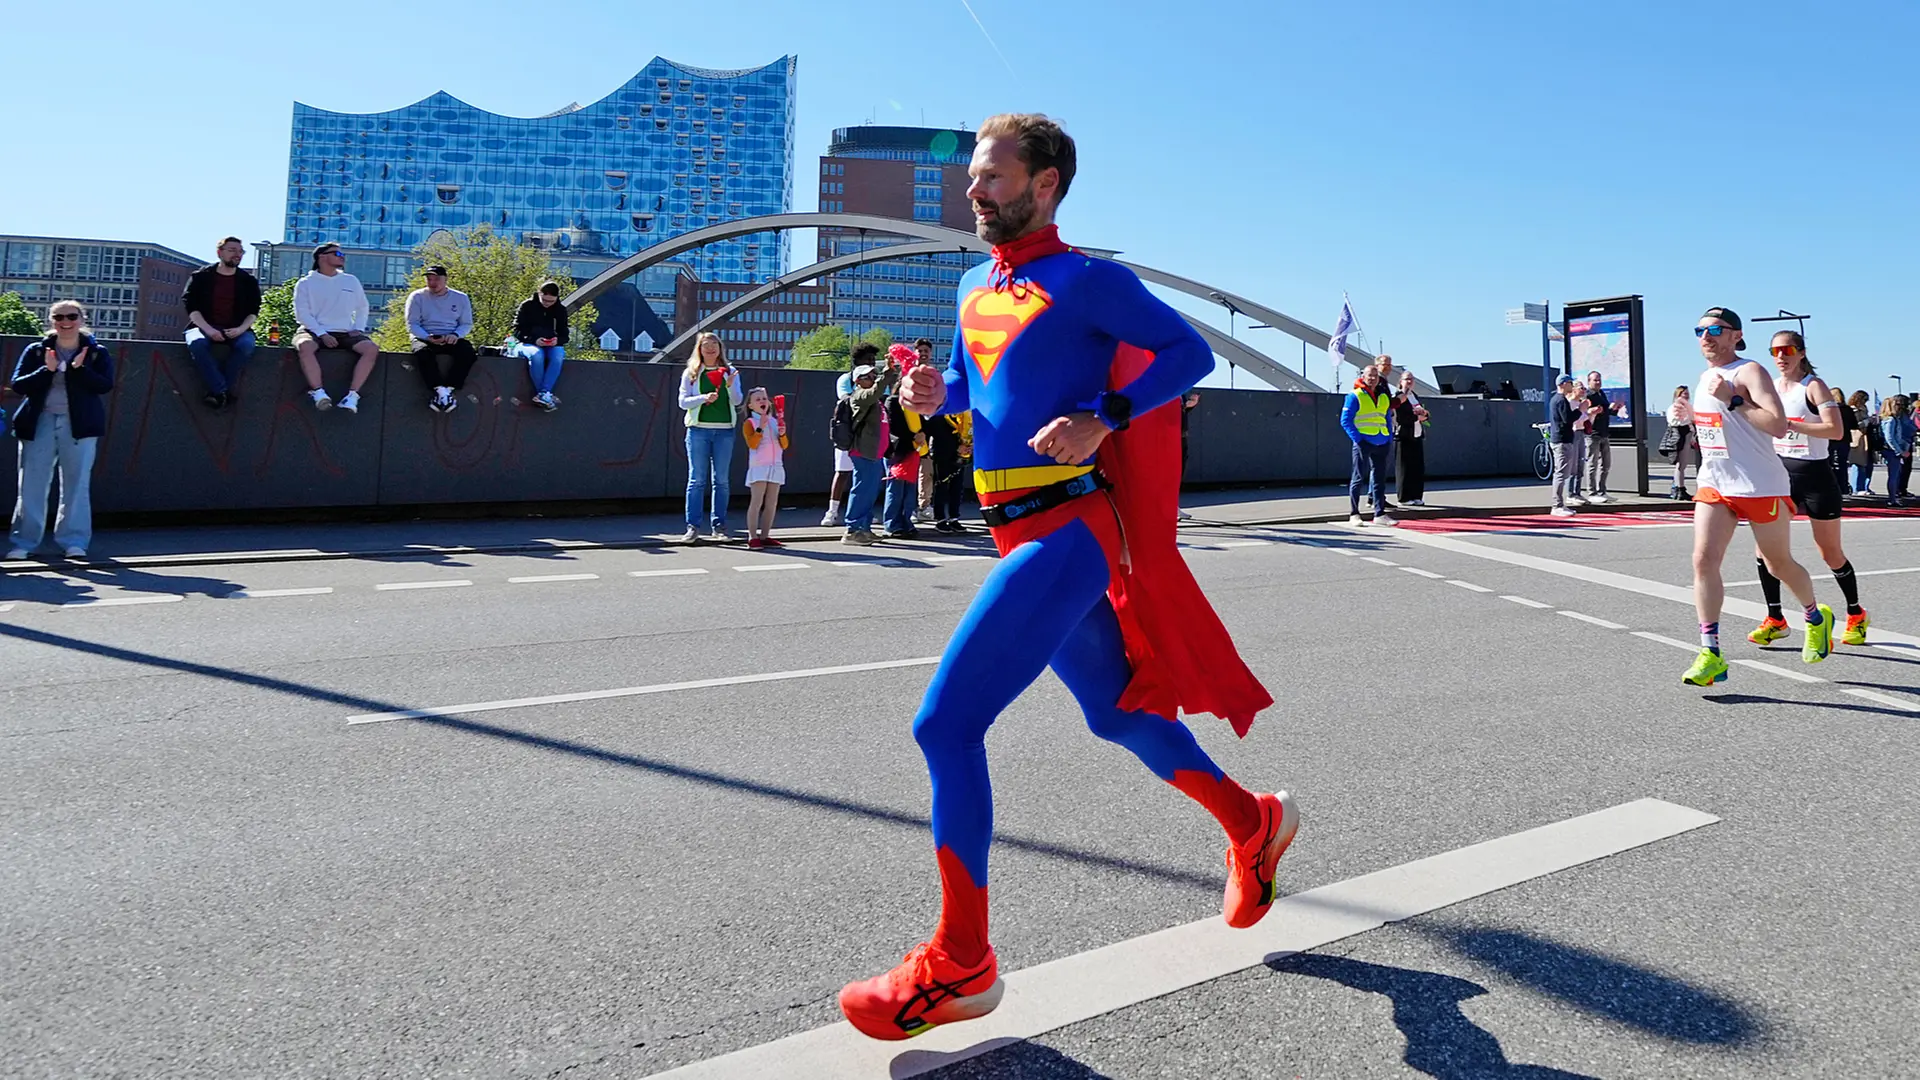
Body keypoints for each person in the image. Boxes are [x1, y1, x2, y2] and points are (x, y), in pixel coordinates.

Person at [837, 112, 1289, 1043]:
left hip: (1072, 525)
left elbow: (1190, 354)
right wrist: (935, 393)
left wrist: (1106, 413)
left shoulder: (1089, 279)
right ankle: (1252, 821)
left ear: (1044, 184)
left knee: (945, 725)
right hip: (1011, 530)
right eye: (973, 176)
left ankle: (961, 960)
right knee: (1118, 715)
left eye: (992, 176)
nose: (973, 190)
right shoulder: (972, 284)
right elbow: (975, 387)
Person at [1682, 308, 1832, 688]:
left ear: (1736, 335)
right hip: (1716, 482)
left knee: (1778, 564)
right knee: (1703, 559)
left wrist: (1733, 399)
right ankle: (1710, 652)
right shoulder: (1703, 378)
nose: (1706, 336)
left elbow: (1777, 425)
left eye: (1715, 330)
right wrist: (1690, 418)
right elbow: (1720, 429)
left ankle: (1815, 617)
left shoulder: (1749, 372)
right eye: (1700, 331)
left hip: (1760, 484)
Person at [1746, 332, 1871, 648]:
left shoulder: (1813, 386)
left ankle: (1856, 614)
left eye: (1787, 350)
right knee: (1765, 551)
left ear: (1801, 353)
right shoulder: (1771, 387)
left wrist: (1789, 424)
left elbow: (1836, 430)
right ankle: (1775, 619)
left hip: (1814, 476)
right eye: (1774, 351)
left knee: (1830, 552)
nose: (1780, 356)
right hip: (1778, 475)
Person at [7, 300, 114, 560]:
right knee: (31, 485)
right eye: (59, 317)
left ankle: (74, 541)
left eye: (72, 316)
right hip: (39, 421)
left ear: (82, 319)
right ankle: (24, 542)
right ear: (51, 321)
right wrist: (47, 370)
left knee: (76, 485)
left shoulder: (96, 352)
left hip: (79, 425)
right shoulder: (36, 350)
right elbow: (18, 385)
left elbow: (104, 385)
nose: (65, 322)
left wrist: (79, 369)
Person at [293, 243, 379, 412]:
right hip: (313, 330)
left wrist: (359, 328)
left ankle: (352, 396)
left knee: (371, 349)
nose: (342, 257)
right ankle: (318, 393)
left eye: (342, 254)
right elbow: (302, 314)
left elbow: (362, 306)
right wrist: (322, 334)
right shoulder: (305, 283)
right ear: (322, 257)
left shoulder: (351, 280)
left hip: (345, 332)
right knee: (304, 345)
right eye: (337, 253)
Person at [677, 332, 743, 542]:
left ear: (720, 348)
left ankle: (719, 526)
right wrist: (703, 398)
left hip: (724, 431)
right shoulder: (692, 372)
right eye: (706, 345)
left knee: (721, 480)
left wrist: (730, 386)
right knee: (696, 479)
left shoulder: (729, 371)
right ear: (699, 349)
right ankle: (693, 526)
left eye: (714, 344)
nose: (711, 348)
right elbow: (683, 402)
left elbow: (737, 401)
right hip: (698, 430)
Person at [181, 236, 261, 410]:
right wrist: (208, 330)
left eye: (240, 251)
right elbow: (191, 307)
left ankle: (217, 392)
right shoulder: (201, 277)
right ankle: (221, 390)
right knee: (197, 343)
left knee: (246, 345)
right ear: (220, 252)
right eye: (232, 250)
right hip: (202, 326)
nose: (237, 255)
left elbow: (253, 311)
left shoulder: (248, 281)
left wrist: (240, 329)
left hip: (237, 328)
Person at [841, 343, 897, 545]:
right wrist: (886, 373)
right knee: (862, 490)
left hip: (874, 453)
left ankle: (864, 528)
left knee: (870, 492)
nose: (872, 379)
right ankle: (852, 530)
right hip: (863, 451)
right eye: (868, 377)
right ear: (858, 380)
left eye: (874, 376)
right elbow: (876, 390)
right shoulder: (859, 395)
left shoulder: (873, 399)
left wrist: (890, 371)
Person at [406, 265, 477, 414]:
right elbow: (412, 324)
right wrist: (427, 337)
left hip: (451, 336)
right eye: (429, 279)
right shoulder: (417, 297)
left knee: (467, 352)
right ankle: (439, 390)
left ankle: (448, 389)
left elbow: (466, 324)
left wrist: (456, 335)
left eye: (436, 279)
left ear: (446, 279)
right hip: (425, 335)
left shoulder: (461, 298)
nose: (432, 283)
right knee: (422, 353)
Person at [1342, 362, 1396, 526]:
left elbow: (1386, 418)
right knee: (1358, 477)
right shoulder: (1355, 395)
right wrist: (1358, 439)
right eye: (1369, 375)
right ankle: (1354, 513)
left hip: (1382, 441)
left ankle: (1379, 514)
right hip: (1364, 442)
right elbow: (1345, 421)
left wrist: (1389, 437)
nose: (1372, 378)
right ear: (1363, 377)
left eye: (1375, 375)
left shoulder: (1383, 396)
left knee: (1379, 479)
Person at [741, 387, 788, 549]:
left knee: (772, 503)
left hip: (776, 465)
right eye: (757, 399)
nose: (762, 401)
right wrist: (760, 427)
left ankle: (765, 535)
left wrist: (782, 434)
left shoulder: (775, 421)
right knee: (756, 501)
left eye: (764, 398)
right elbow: (752, 444)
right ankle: (752, 536)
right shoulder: (750, 423)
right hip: (759, 466)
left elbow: (784, 445)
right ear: (750, 405)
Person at [511, 281, 569, 411]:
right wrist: (533, 340)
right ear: (539, 294)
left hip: (550, 344)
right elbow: (517, 330)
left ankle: (543, 392)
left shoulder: (560, 310)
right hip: (526, 343)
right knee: (537, 355)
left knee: (558, 354)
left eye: (551, 301)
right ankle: (544, 393)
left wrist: (557, 340)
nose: (547, 304)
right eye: (545, 300)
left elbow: (565, 335)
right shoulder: (527, 306)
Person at [1581, 370, 1626, 502]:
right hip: (1592, 434)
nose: (1598, 382)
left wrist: (1615, 408)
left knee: (1606, 464)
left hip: (1604, 433)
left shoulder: (1601, 393)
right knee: (1592, 464)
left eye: (1599, 380)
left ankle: (1602, 491)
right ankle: (1592, 492)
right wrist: (1592, 411)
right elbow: (1584, 412)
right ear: (1589, 381)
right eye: (1595, 380)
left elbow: (1606, 411)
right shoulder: (1588, 395)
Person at [822, 366, 857, 527]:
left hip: (867, 435)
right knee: (842, 472)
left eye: (872, 360)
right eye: (867, 360)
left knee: (864, 475)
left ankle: (860, 511)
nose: (870, 363)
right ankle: (832, 512)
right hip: (846, 433)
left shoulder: (877, 380)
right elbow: (847, 400)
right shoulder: (845, 379)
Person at [924, 400, 966, 533]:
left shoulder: (962, 414)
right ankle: (940, 518)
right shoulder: (937, 414)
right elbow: (928, 432)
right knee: (941, 486)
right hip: (942, 455)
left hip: (960, 455)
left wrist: (967, 446)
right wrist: (925, 452)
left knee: (957, 487)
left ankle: (954, 517)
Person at [1391, 370, 1429, 506]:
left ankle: (1416, 495)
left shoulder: (1414, 396)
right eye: (1406, 379)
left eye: (1411, 379)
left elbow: (1421, 412)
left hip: (1416, 434)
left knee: (1417, 467)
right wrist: (1416, 417)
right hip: (1404, 436)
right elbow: (1401, 417)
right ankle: (1404, 497)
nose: (1409, 381)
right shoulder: (1398, 396)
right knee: (1404, 468)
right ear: (1400, 381)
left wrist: (1425, 415)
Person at [912, 338, 939, 523]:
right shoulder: (907, 373)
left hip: (928, 431)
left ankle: (923, 506)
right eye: (920, 350)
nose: (923, 354)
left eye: (926, 351)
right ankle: (909, 508)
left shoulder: (934, 375)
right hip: (909, 431)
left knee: (926, 471)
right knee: (908, 472)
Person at [1547, 375, 1581, 517]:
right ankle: (1557, 505)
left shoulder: (1557, 399)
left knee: (1562, 473)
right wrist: (1580, 409)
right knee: (1561, 474)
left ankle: (1559, 504)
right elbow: (1568, 419)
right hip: (1562, 440)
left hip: (1561, 440)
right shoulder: (1560, 400)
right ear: (1563, 384)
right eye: (1570, 383)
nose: (1572, 386)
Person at [1881, 395, 1915, 508]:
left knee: (1895, 475)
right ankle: (1892, 499)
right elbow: (1890, 438)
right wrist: (1900, 451)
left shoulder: (1890, 419)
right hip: (1891, 450)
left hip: (1892, 449)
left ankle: (1893, 497)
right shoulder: (1891, 420)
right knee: (1894, 476)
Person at [1664, 385, 1696, 500]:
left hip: (1683, 434)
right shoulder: (1677, 407)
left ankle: (1677, 488)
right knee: (1681, 464)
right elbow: (1681, 421)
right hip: (1681, 435)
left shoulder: (1680, 407)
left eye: (1687, 394)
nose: (1687, 396)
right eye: (1684, 394)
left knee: (1682, 464)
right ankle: (1680, 488)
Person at [1848, 390, 1877, 495]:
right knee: (1857, 463)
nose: (1865, 402)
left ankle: (1864, 487)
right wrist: (1867, 421)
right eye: (1864, 400)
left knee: (1866, 464)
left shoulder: (1864, 409)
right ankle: (1856, 488)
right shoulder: (1853, 410)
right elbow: (1856, 424)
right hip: (1858, 437)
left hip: (1866, 437)